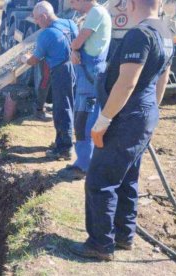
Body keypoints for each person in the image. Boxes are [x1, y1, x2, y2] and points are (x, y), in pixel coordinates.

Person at [70, 0, 173, 261]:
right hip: (142, 115)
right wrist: (150, 117)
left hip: (126, 117)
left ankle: (100, 244)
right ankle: (123, 235)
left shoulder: (139, 35)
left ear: (133, 3)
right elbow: (162, 78)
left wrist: (103, 121)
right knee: (127, 177)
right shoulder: (166, 30)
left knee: (100, 179)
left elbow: (127, 83)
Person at [60, 0, 111, 179]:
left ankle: (84, 166)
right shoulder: (96, 14)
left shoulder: (96, 13)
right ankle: (84, 162)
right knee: (84, 117)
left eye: (74, 1)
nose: (73, 6)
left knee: (84, 118)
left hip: (90, 75)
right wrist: (75, 50)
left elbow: (78, 41)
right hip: (89, 72)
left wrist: (74, 48)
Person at [21, 0, 78, 160]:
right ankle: (63, 141)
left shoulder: (46, 34)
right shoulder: (70, 23)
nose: (37, 23)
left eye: (37, 19)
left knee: (62, 109)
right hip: (75, 67)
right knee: (70, 106)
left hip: (61, 72)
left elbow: (35, 60)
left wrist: (24, 59)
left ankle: (64, 149)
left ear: (44, 16)